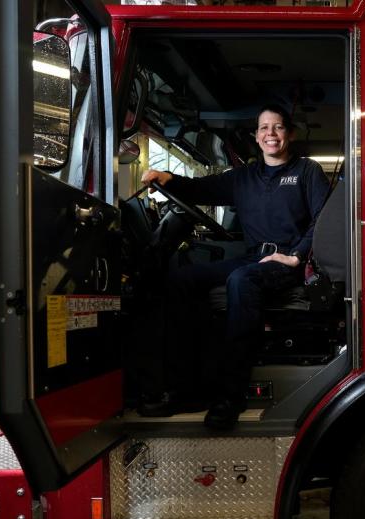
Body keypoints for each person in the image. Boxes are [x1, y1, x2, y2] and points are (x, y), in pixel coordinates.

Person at [138, 103, 329, 430]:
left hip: (287, 261)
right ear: (256, 137)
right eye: (264, 128)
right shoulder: (244, 177)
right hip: (253, 257)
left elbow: (322, 220)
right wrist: (167, 178)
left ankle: (231, 395)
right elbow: (200, 189)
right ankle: (186, 388)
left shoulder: (307, 172)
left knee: (242, 280)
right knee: (181, 280)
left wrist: (295, 255)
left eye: (278, 127)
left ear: (290, 134)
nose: (271, 134)